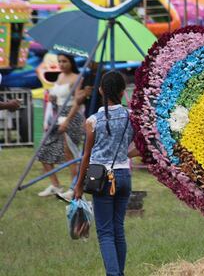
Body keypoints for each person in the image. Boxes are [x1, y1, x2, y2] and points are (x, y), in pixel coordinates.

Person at [74, 71, 138, 276]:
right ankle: (119, 272)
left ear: (101, 90)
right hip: (124, 176)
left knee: (105, 232)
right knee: (118, 229)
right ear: (122, 91)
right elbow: (141, 146)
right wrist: (125, 154)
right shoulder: (131, 116)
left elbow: (86, 156)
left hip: (100, 179)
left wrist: (78, 185)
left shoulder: (93, 121)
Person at [36, 54, 84, 199]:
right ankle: (55, 185)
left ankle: (74, 188)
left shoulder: (77, 78)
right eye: (59, 62)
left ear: (71, 62)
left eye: (64, 61)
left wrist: (67, 121)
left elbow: (77, 102)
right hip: (57, 116)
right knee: (43, 151)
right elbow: (59, 98)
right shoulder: (60, 77)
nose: (61, 64)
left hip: (71, 117)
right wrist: (53, 99)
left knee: (70, 155)